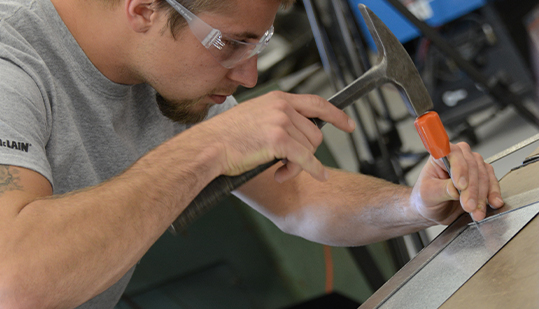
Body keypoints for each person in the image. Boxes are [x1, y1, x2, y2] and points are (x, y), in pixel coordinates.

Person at [0, 0, 503, 308]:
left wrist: (413, 207)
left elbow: (301, 199)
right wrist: (213, 145)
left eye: (257, 44)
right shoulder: (12, 61)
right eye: (232, 44)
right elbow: (15, 282)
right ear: (145, 8)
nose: (249, 76)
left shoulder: (170, 75)